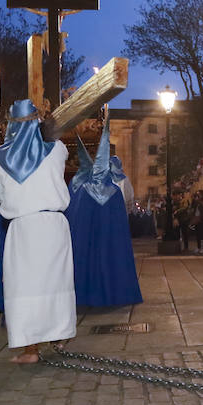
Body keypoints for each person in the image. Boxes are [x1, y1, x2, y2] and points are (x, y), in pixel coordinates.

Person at [0, 99, 76, 364]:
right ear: (36, 121)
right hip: (53, 226)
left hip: (22, 227)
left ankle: (31, 350)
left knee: (24, 287)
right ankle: (59, 335)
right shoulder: (57, 150)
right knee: (56, 282)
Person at [65, 117, 143, 308]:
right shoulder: (114, 190)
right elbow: (128, 204)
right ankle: (115, 289)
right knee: (111, 256)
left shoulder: (80, 189)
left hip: (87, 238)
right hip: (111, 234)